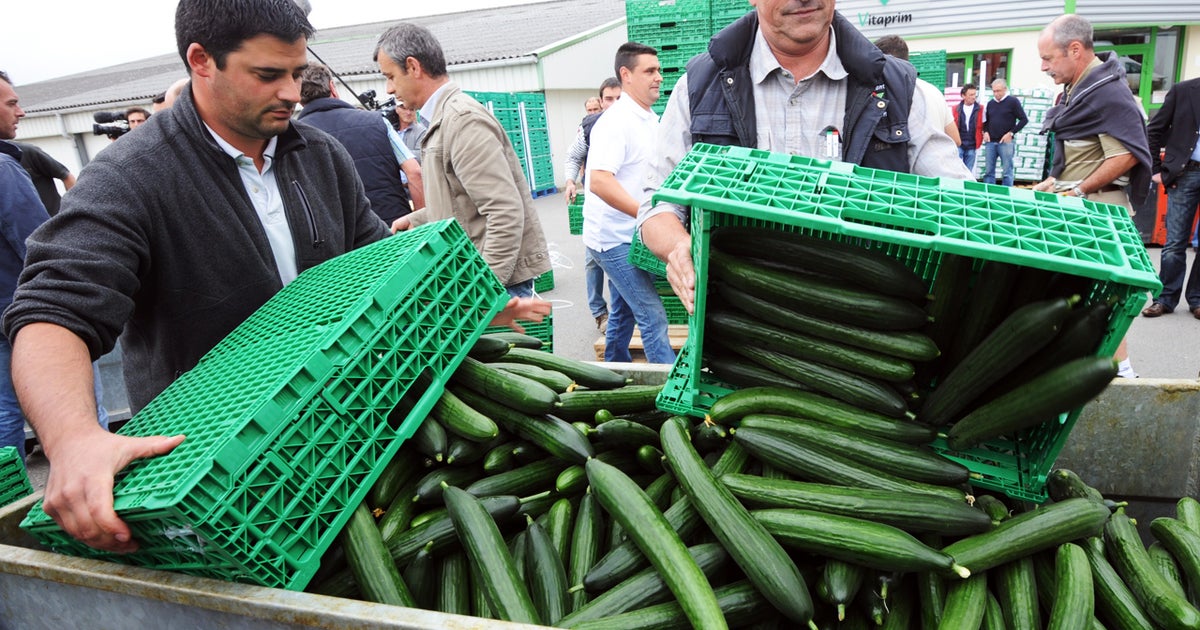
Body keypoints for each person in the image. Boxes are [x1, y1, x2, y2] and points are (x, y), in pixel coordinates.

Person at [2, 0, 548, 554]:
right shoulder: (132, 174)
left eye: (295, 72)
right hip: (215, 475)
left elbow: (378, 264)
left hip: (344, 441)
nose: (291, 91)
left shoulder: (320, 156)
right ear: (202, 60)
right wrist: (72, 439)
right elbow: (52, 310)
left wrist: (464, 304)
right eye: (268, 75)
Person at [638, 1, 972, 313]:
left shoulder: (898, 89)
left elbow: (961, 201)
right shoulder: (698, 86)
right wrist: (678, 247)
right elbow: (657, 204)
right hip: (739, 317)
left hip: (869, 317)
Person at [376, 22, 551, 298]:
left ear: (413, 67)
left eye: (390, 76)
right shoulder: (444, 120)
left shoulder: (462, 121)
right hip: (482, 276)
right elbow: (464, 203)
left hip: (497, 285)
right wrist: (421, 219)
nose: (388, 89)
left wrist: (485, 290)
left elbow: (504, 211)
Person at [1032, 13, 1151, 378]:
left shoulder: (1107, 93)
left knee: (1103, 301)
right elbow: (1082, 158)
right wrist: (1055, 183)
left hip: (1099, 214)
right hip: (1079, 209)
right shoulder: (1080, 89)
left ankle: (1123, 375)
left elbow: (1126, 154)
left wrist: (1080, 189)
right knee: (1082, 299)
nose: (1042, 67)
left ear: (1075, 49)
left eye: (1049, 58)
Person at [583, 42, 675, 364]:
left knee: (623, 313)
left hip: (632, 235)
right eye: (650, 71)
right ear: (626, 75)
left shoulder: (651, 119)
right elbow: (599, 181)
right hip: (612, 239)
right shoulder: (615, 122)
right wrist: (647, 214)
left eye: (659, 70)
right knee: (652, 315)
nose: (659, 77)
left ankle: (613, 372)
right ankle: (668, 391)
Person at [297, 63, 425, 223]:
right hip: (396, 228)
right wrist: (422, 225)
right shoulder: (377, 121)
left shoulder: (295, 138)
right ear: (332, 87)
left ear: (298, 95)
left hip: (345, 238)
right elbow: (414, 172)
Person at [564, 77, 622, 333]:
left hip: (625, 210)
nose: (614, 104)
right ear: (601, 102)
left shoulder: (638, 124)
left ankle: (620, 315)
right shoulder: (590, 128)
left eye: (619, 98)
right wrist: (569, 181)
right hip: (597, 210)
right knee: (592, 261)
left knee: (623, 264)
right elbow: (573, 156)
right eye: (609, 99)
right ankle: (600, 313)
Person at [1141, 77, 1200, 319]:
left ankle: (1197, 299)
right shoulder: (1183, 91)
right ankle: (1165, 298)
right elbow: (1154, 131)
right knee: (1175, 241)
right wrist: (1156, 168)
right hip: (1186, 172)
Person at [874, 35, 961, 148]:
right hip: (936, 162)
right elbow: (956, 139)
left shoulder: (889, 92)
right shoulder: (933, 91)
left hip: (905, 164)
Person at [982, 78, 1028, 186]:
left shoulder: (1013, 102)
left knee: (1007, 171)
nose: (996, 93)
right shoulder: (990, 104)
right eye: (994, 91)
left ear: (1005, 89)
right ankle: (988, 193)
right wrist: (985, 131)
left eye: (998, 91)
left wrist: (1011, 133)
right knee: (988, 171)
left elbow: (1024, 119)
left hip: (1006, 142)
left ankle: (1006, 195)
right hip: (991, 142)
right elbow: (986, 121)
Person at [12, 141, 75, 216]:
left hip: (54, 220)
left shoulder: (27, 152)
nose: (16, 128)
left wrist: (73, 210)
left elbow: (67, 177)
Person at [953, 83, 985, 171]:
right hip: (959, 144)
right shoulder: (955, 109)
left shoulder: (981, 109)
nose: (974, 97)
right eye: (971, 95)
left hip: (972, 144)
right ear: (963, 96)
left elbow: (985, 125)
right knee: (956, 169)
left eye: (975, 94)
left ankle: (966, 184)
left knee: (968, 170)